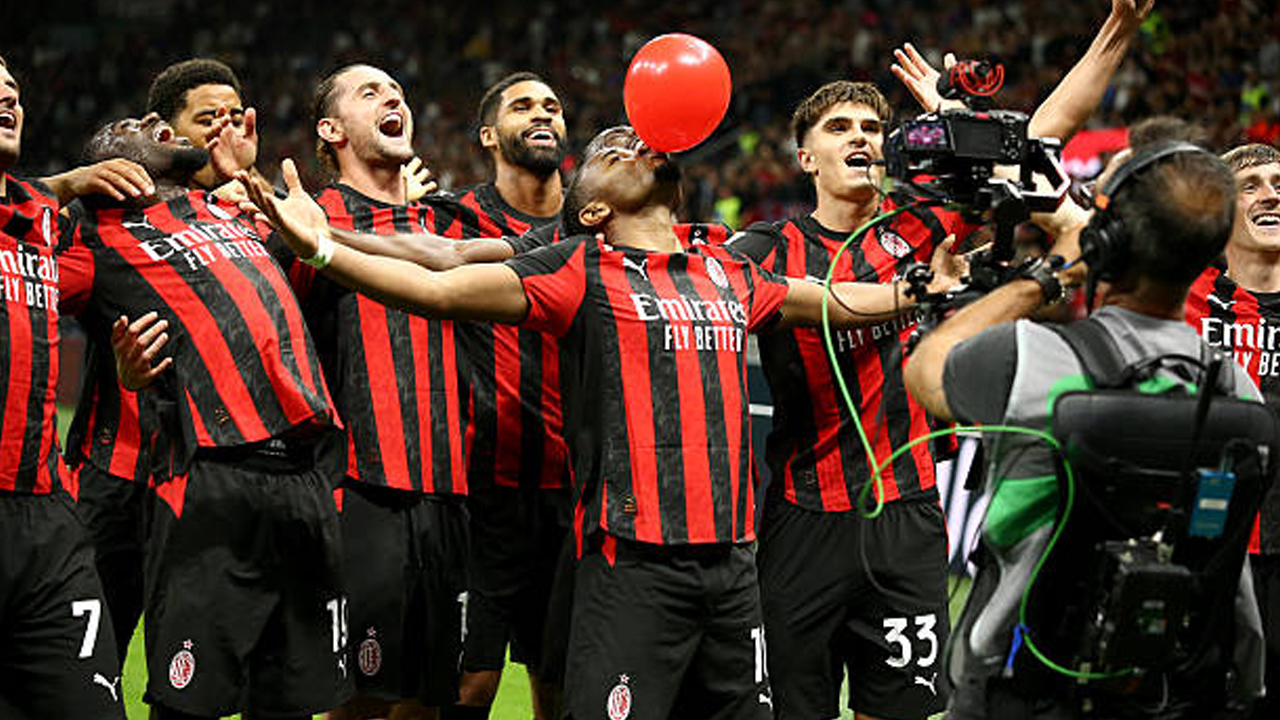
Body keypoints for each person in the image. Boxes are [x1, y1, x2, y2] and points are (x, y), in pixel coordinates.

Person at [234, 118, 967, 719]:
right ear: (592, 210)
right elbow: (446, 289)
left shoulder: (728, 264)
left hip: (736, 567)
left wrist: (920, 291)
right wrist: (323, 245)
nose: (633, 143)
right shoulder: (580, 266)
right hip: (632, 565)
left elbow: (838, 303)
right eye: (612, 150)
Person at [903, 140, 1264, 717]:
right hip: (1167, 695)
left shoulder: (1029, 360)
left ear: (1106, 242)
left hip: (1025, 689)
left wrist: (1048, 275)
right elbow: (1232, 583)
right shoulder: (1235, 389)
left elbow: (925, 368)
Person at [64, 112, 349, 720]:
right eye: (127, 123)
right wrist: (67, 184)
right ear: (105, 162)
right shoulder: (91, 232)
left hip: (305, 483)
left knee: (292, 704)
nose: (150, 120)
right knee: (190, 704)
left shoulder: (233, 214)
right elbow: (25, 277)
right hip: (212, 480)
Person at [303, 62, 474, 720]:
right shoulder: (310, 218)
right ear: (332, 128)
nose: (391, 97)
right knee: (359, 700)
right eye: (369, 93)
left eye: (397, 90)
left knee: (432, 699)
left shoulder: (448, 226)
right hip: (360, 488)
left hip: (449, 491)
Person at [0, 52, 126, 720]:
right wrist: (70, 179)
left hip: (48, 519)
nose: (8, 97)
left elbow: (106, 280)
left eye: (14, 89)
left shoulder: (41, 228)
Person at [446, 71, 571, 720]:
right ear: (490, 134)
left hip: (575, 494)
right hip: (483, 493)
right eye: (523, 106)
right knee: (470, 685)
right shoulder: (457, 219)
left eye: (552, 105)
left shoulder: (597, 221)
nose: (542, 113)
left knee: (560, 683)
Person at [1184, 142, 1280, 720]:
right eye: (1252, 184)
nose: (1272, 193)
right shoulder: (1183, 293)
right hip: (1211, 551)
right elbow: (1067, 218)